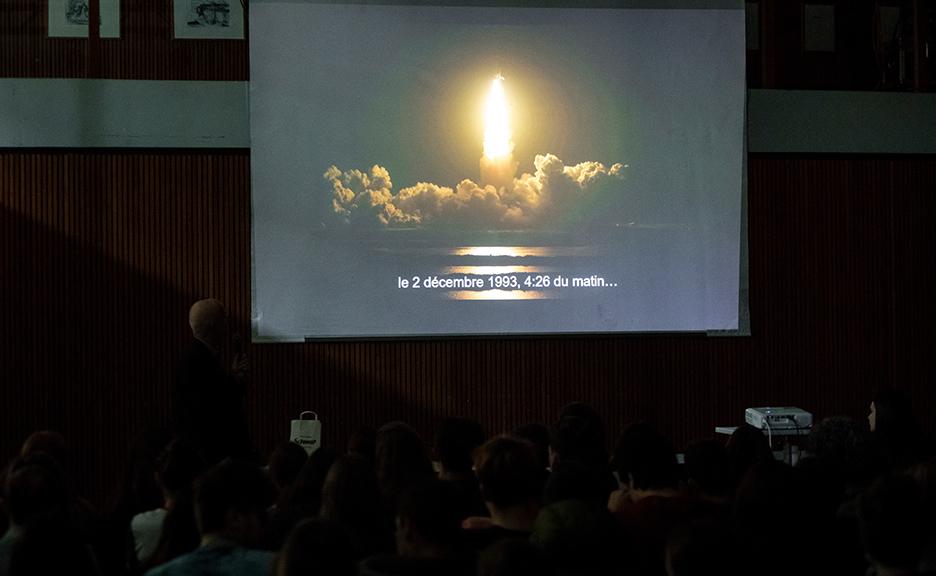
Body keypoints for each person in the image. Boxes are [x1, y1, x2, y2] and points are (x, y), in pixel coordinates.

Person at [144, 459, 275, 576]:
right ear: (236, 519)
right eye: (261, 514)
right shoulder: (274, 567)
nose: (267, 524)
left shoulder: (159, 573)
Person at [172, 299, 251, 465]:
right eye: (224, 320)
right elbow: (218, 408)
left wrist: (234, 377)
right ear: (213, 326)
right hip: (213, 457)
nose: (227, 326)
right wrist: (236, 381)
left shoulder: (196, 357)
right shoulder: (199, 361)